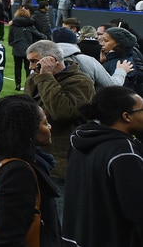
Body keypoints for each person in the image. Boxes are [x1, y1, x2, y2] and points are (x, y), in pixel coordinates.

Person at [0, 94, 61, 246]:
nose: (50, 127)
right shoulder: (18, 172)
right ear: (28, 131)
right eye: (45, 123)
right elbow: (9, 238)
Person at [23, 39, 95, 220]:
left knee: (60, 218)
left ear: (50, 60)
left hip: (62, 163)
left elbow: (61, 111)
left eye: (34, 61)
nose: (32, 67)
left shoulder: (81, 82)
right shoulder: (35, 78)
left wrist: (46, 77)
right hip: (34, 157)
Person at [62, 86, 143, 245]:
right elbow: (138, 210)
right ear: (126, 116)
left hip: (76, 237)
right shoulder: (124, 153)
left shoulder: (80, 138)